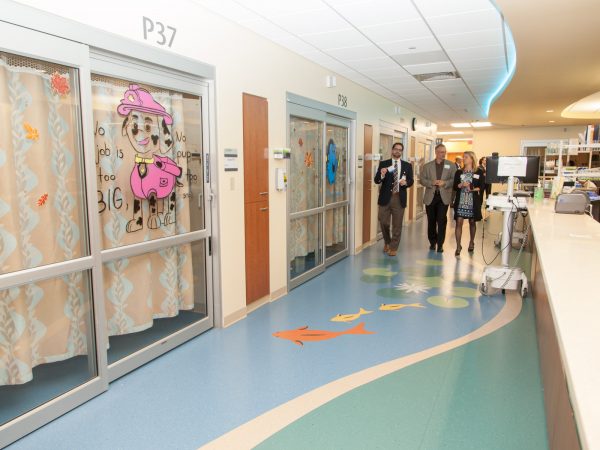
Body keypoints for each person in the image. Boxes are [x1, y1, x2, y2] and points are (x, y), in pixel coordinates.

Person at [374, 142, 414, 256]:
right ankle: (387, 241)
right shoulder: (384, 163)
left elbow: (411, 181)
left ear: (402, 152)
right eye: (396, 149)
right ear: (392, 150)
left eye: (400, 150)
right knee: (383, 222)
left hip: (399, 198)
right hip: (385, 198)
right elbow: (376, 180)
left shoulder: (407, 165)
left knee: (397, 225)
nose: (398, 151)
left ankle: (393, 247)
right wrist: (381, 175)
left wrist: (406, 182)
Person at [420, 144, 456, 252]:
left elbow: (454, 180)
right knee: (431, 221)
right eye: (441, 152)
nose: (443, 154)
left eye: (444, 152)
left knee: (441, 220)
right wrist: (432, 182)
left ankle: (440, 244)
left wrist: (445, 183)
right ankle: (432, 242)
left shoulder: (451, 165)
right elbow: (422, 180)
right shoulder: (427, 166)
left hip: (443, 197)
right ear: (436, 152)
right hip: (431, 197)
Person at [453, 151, 485, 256]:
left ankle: (471, 242)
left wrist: (472, 189)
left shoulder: (478, 172)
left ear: (472, 159)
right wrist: (460, 185)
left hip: (473, 201)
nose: (464, 159)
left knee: (472, 222)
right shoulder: (459, 172)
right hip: (461, 200)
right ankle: (458, 246)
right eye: (463, 157)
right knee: (458, 223)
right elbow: (454, 186)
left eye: (466, 157)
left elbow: (482, 186)